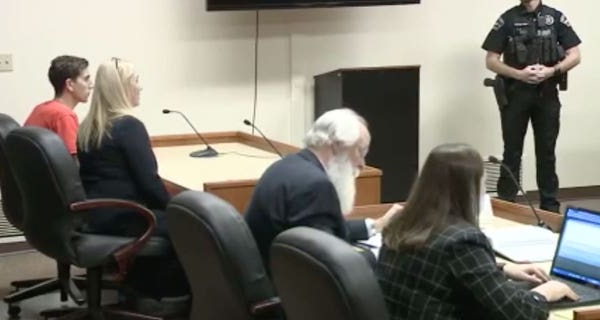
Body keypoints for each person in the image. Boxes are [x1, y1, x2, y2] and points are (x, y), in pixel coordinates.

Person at [377, 143, 578, 320]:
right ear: (468, 188)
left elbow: (440, 269)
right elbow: (517, 313)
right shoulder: (463, 240)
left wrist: (501, 269)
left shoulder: (401, 223)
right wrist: (545, 293)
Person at [77, 58, 188, 308]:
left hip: (97, 214)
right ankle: (163, 296)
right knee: (191, 224)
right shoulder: (128, 127)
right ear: (122, 88)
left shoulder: (90, 126)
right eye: (135, 80)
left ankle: (135, 287)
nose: (140, 87)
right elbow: (149, 183)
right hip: (126, 217)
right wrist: (177, 208)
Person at [245, 108, 400, 267]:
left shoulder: (288, 165)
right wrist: (378, 256)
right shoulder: (314, 186)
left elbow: (320, 230)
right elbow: (324, 263)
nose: (362, 164)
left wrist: (375, 225)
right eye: (360, 152)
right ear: (337, 145)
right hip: (288, 286)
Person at [482, 0, 581, 213]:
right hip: (515, 95)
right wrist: (519, 74)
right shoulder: (508, 18)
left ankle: (549, 208)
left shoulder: (555, 17)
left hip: (547, 95)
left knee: (546, 152)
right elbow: (491, 60)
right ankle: (506, 207)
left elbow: (575, 55)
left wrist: (551, 71)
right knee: (511, 152)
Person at [25, 55, 92, 157]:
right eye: (86, 79)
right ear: (70, 84)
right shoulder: (64, 116)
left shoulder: (40, 108)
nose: (91, 85)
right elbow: (73, 163)